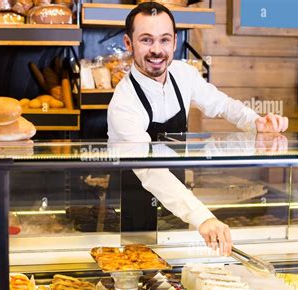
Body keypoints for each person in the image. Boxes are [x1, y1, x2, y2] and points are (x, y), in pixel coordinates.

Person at [107, 2, 288, 256]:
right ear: (129, 43)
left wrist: (255, 122)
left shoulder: (184, 75)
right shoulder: (124, 103)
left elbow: (221, 104)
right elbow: (149, 170)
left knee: (173, 278)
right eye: (146, 40)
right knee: (135, 275)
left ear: (175, 41)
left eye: (164, 40)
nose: (157, 50)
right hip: (131, 204)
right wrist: (202, 216)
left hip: (179, 201)